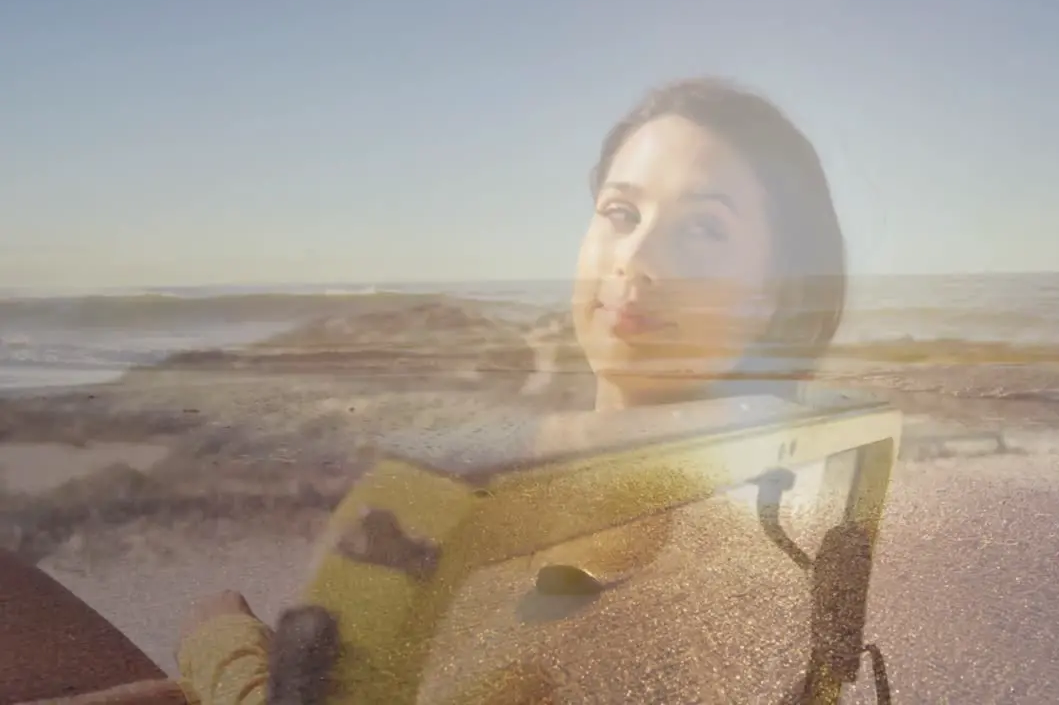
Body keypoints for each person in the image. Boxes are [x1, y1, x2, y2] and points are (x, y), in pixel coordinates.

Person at [7, 75, 850, 704]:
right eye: (621, 213)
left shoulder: (622, 539)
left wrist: (220, 649)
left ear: (778, 288)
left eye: (704, 227)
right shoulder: (764, 500)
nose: (637, 258)